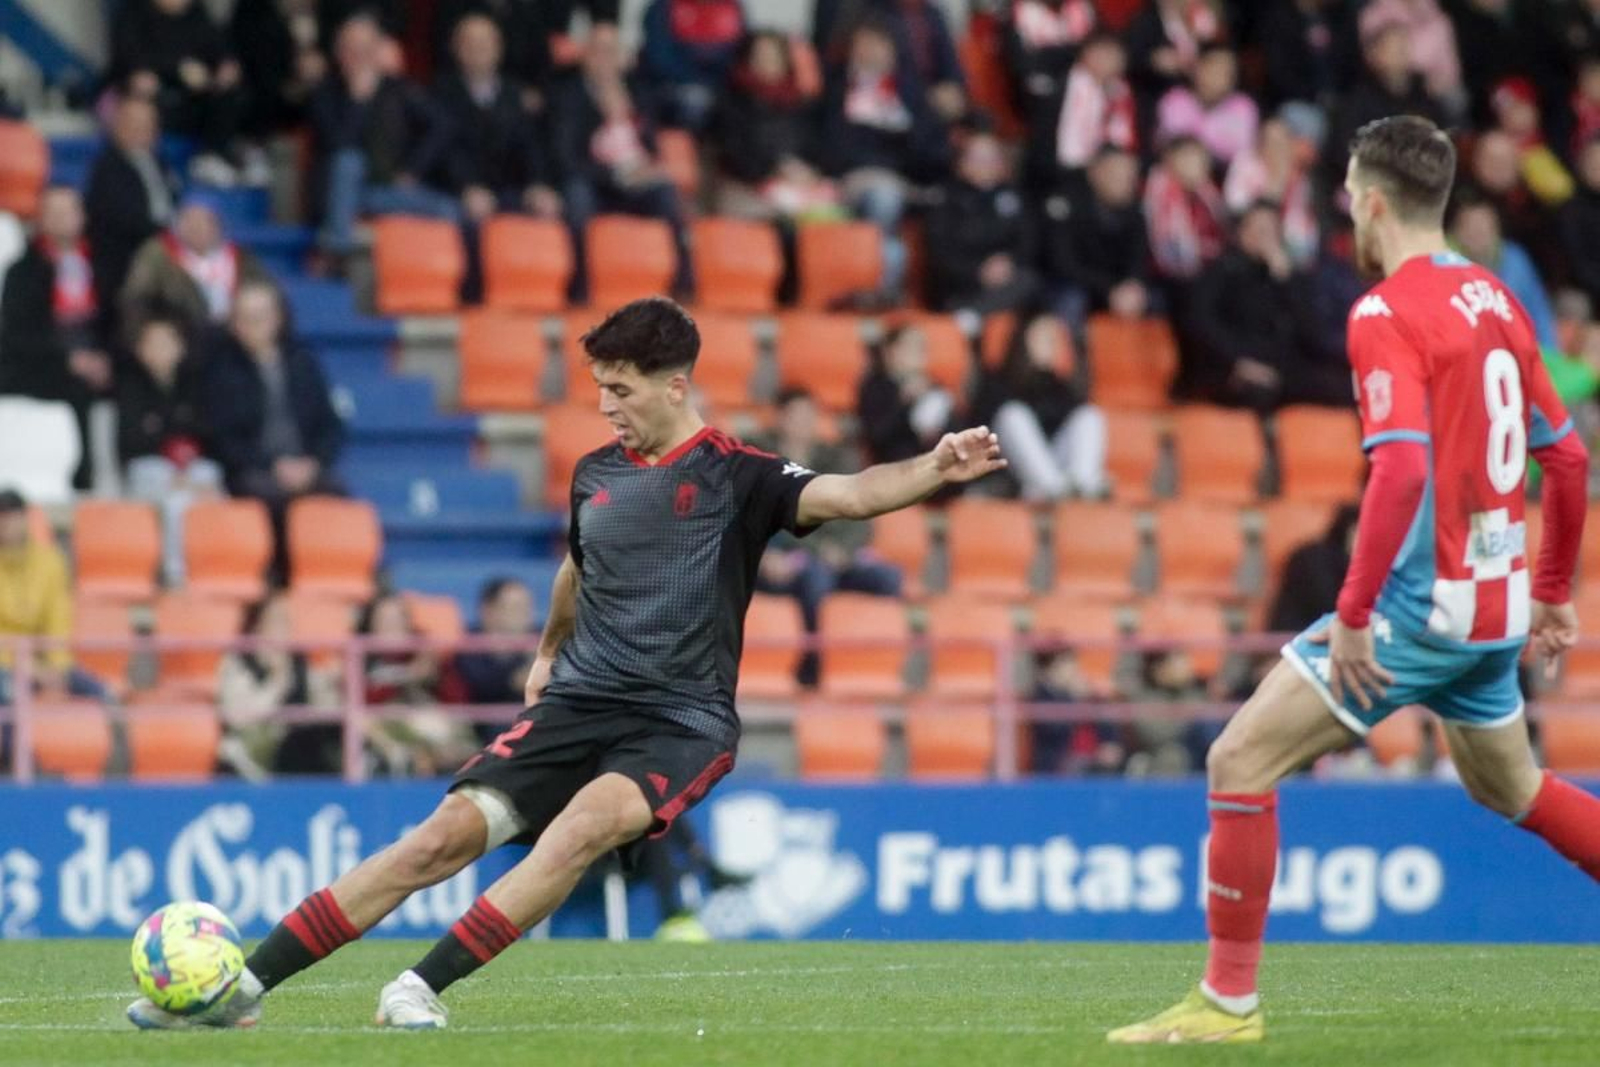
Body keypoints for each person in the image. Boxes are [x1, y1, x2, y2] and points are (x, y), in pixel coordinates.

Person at [126, 296, 1006, 1030]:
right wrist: (548, 651)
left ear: (674, 385)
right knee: (435, 840)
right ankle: (242, 990)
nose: (606, 406)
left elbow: (851, 494)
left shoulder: (742, 475)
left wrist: (933, 467)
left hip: (680, 722)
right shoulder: (596, 475)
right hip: (579, 701)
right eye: (599, 388)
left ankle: (416, 987)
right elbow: (579, 568)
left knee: (582, 825)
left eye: (619, 389)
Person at [1110, 115, 1599, 1045]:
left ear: (1371, 202)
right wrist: (1554, 591)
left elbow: (1404, 470)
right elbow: (1568, 459)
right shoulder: (1496, 297)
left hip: (1419, 611)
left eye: (1347, 197)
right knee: (1516, 789)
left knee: (1238, 760)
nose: (1348, 214)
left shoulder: (1384, 310)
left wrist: (1353, 611)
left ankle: (1227, 1002)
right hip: (1492, 609)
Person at [750, 387, 902, 682]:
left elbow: (861, 513)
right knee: (815, 577)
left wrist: (843, 550)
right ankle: (813, 668)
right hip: (783, 562)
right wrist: (821, 551)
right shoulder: (759, 458)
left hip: (837, 558)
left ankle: (874, 667)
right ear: (780, 418)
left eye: (810, 416)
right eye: (797, 416)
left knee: (889, 578)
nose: (804, 423)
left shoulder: (837, 458)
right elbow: (777, 519)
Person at [202, 281, 345, 575]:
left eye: (262, 316)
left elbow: (330, 425)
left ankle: (331, 576)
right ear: (234, 324)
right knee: (267, 496)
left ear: (278, 318)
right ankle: (277, 580)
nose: (255, 325)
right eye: (246, 318)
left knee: (335, 492)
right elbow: (223, 439)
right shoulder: (221, 371)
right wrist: (273, 465)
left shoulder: (303, 363)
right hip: (254, 469)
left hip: (304, 465)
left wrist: (313, 462)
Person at [550, 26, 694, 297]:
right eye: (598, 51)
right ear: (585, 56)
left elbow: (650, 145)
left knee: (665, 193)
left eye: (611, 52)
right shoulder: (568, 97)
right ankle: (579, 286)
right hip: (594, 180)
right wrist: (614, 174)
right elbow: (566, 157)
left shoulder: (638, 95)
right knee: (577, 196)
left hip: (634, 179)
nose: (604, 59)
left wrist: (646, 167)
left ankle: (683, 283)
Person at [309, 12, 459, 260]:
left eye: (365, 49)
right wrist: (358, 102)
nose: (358, 57)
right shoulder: (325, 93)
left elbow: (442, 125)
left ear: (378, 50)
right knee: (349, 161)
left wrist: (413, 169)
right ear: (338, 53)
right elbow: (338, 144)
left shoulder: (396, 88)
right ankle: (337, 251)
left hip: (385, 191)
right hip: (339, 195)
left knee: (448, 208)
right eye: (351, 49)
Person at [1180, 199, 1343, 409]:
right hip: (1232, 367)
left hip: (1282, 366)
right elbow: (1202, 324)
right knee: (1259, 392)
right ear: (1241, 232)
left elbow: (1311, 332)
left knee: (1340, 387)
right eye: (1257, 229)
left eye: (1269, 230)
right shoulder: (1221, 272)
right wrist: (1237, 361)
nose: (1262, 237)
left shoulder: (1287, 277)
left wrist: (1286, 282)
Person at [0, 186, 112, 489]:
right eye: (55, 213)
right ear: (41, 219)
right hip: (41, 364)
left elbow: (114, 319)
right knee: (75, 387)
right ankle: (82, 479)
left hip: (96, 357)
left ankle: (145, 464)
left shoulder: (101, 264)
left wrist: (105, 357)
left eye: (69, 211)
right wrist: (69, 359)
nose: (63, 219)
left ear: (82, 216)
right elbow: (18, 333)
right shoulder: (23, 270)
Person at [116, 312, 222, 585]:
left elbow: (206, 433)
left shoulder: (193, 384)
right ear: (140, 349)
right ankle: (177, 578)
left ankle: (218, 568)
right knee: (176, 504)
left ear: (181, 347)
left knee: (216, 484)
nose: (161, 349)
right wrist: (172, 432)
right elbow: (132, 442)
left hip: (190, 467)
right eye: (154, 343)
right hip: (149, 470)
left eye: (168, 342)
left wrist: (165, 429)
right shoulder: (130, 386)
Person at [108, 0, 247, 183]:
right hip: (159, 95)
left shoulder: (196, 13)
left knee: (232, 94)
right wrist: (178, 70)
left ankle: (214, 156)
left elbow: (217, 47)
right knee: (144, 91)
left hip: (196, 95)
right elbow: (128, 58)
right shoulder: (134, 12)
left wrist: (225, 64)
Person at [973, 312, 1106, 499]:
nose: (1049, 345)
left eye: (1053, 339)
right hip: (1010, 469)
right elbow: (983, 428)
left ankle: (1082, 487)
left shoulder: (1061, 386)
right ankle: (1055, 489)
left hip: (1053, 467)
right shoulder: (997, 379)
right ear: (1024, 339)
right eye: (1042, 337)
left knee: (1089, 415)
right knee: (1013, 415)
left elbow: (1063, 426)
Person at [0, 490, 112, 707]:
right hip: (5, 665)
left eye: (11, 517)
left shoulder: (50, 563)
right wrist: (24, 665)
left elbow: (58, 620)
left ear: (24, 518)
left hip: (44, 662)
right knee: (8, 697)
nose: (6, 525)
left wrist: (56, 666)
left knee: (104, 694)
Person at [709, 32, 836, 223]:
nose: (766, 61)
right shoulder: (730, 102)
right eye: (759, 55)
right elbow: (733, 151)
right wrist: (775, 169)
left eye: (772, 55)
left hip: (800, 183)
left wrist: (806, 170)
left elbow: (818, 146)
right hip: (748, 186)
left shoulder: (803, 103)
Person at [217, 591, 341, 780]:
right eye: (276, 620)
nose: (283, 628)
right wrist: (277, 682)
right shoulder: (238, 663)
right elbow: (239, 718)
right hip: (250, 747)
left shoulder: (299, 662)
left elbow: (323, 706)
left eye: (286, 621)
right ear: (257, 626)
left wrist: (335, 685)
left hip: (296, 749)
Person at [923, 127, 1038, 314]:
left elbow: (1028, 241)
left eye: (991, 158)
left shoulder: (1015, 196)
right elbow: (940, 252)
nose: (985, 165)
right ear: (961, 163)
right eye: (977, 158)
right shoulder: (944, 199)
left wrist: (1008, 262)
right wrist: (978, 270)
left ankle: (972, 316)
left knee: (1030, 281)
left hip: (1006, 280)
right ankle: (969, 315)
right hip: (960, 284)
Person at [120, 193, 272, 330]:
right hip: (179, 338)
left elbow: (266, 292)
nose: (195, 227)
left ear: (218, 225)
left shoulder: (241, 258)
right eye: (188, 220)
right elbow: (135, 299)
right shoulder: (157, 255)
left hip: (235, 335)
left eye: (203, 220)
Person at [1043, 145, 1152, 336]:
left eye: (1130, 177)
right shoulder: (1068, 204)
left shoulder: (1136, 210)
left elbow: (1139, 257)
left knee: (1153, 299)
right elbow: (1063, 262)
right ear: (1095, 173)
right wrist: (1109, 289)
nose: (1126, 182)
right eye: (1117, 175)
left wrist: (1133, 284)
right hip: (1077, 283)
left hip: (1117, 287)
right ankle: (1073, 361)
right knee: (1071, 299)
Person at [84, 95, 178, 307]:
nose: (141, 131)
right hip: (126, 257)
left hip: (162, 247)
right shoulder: (107, 167)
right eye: (134, 124)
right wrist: (166, 236)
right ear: (117, 126)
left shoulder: (158, 163)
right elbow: (122, 217)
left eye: (148, 125)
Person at [1449, 195, 1558, 352]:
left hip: (1516, 350)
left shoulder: (1515, 260)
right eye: (1470, 227)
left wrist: (1549, 355)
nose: (1477, 233)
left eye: (1484, 226)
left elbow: (1538, 310)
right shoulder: (1444, 265)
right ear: (1456, 231)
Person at [452, 577, 539, 744]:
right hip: (485, 728)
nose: (525, 615)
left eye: (527, 607)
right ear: (488, 610)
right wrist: (517, 677)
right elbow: (484, 687)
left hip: (535, 720)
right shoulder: (469, 645)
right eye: (515, 608)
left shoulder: (542, 640)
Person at [857, 322, 959, 464]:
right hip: (892, 467)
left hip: (935, 466)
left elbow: (954, 430)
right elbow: (877, 435)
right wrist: (905, 401)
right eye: (911, 347)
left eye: (922, 348)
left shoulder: (933, 387)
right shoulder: (876, 387)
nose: (919, 354)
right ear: (890, 351)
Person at [638, 0, 746, 131]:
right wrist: (699, 83)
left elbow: (739, 56)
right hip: (671, 88)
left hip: (721, 89)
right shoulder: (662, 8)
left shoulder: (733, 8)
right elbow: (660, 58)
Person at [1154, 44, 1258, 167]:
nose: (1224, 76)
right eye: (1217, 68)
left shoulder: (1243, 107)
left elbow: (1244, 157)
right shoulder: (1175, 100)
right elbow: (1168, 148)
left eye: (1229, 71)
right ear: (1198, 68)